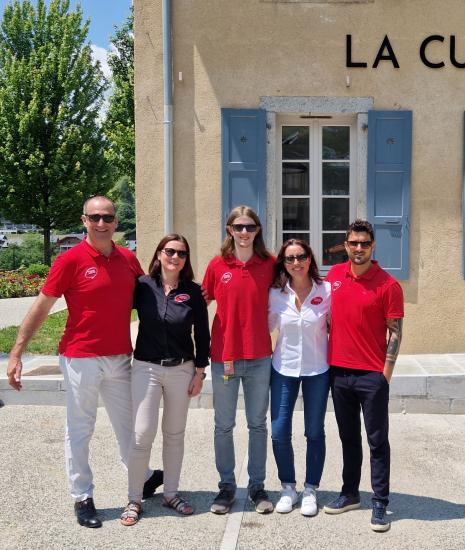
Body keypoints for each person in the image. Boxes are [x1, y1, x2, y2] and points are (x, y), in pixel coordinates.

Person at [5, 196, 162, 529]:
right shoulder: (70, 260)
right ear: (84, 221)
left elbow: (152, 300)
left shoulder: (128, 260)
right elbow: (42, 306)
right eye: (95, 218)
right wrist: (17, 352)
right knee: (80, 429)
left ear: (116, 222)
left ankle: (143, 478)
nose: (102, 223)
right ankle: (82, 496)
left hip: (120, 355)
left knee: (130, 427)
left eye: (107, 218)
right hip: (80, 357)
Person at [120, 234, 210, 526]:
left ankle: (171, 493)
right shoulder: (143, 286)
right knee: (141, 434)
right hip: (146, 368)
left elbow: (203, 336)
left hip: (181, 369)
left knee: (174, 434)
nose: (175, 257)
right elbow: (114, 309)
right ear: (159, 254)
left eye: (181, 253)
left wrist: (199, 371)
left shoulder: (194, 292)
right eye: (170, 251)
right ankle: (134, 499)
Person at [322, 220, 404, 533]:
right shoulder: (333, 277)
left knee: (377, 440)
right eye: (353, 243)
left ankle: (380, 500)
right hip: (339, 373)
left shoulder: (388, 285)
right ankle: (350, 493)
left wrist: (385, 374)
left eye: (364, 244)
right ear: (345, 245)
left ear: (373, 246)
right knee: (347, 437)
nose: (359, 248)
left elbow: (396, 332)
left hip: (371, 376)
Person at [203, 206, 276, 514]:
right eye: (238, 226)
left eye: (250, 227)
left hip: (260, 357)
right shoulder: (218, 266)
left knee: (258, 424)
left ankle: (257, 487)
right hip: (225, 358)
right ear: (229, 229)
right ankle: (227, 487)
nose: (244, 232)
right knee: (224, 425)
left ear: (257, 230)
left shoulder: (270, 264)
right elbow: (198, 304)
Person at [267, 239, 331, 516]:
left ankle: (310, 489)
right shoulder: (275, 294)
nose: (296, 262)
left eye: (301, 256)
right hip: (284, 368)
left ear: (310, 258)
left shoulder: (326, 290)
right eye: (290, 258)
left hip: (318, 370)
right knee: (280, 431)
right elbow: (264, 327)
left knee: (314, 432)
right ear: (283, 263)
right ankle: (288, 487)